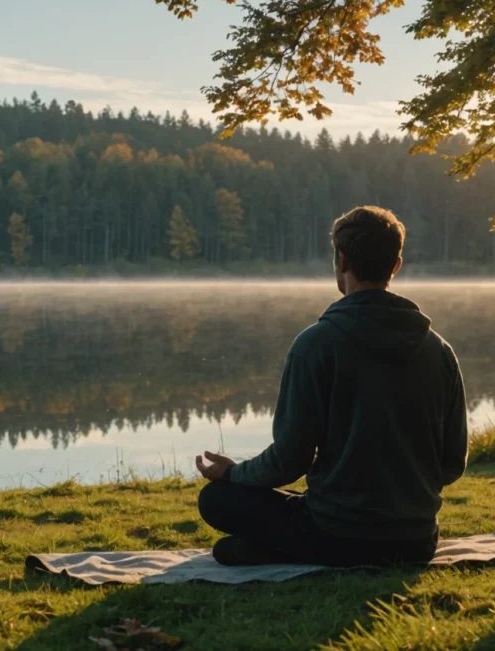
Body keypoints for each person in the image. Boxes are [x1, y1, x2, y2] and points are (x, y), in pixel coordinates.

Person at [194, 206, 468, 567]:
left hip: (335, 531)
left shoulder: (315, 345)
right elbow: (452, 464)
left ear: (341, 261)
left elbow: (289, 459)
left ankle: (290, 551)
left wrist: (233, 473)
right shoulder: (440, 350)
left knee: (216, 499)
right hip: (416, 540)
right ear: (396, 265)